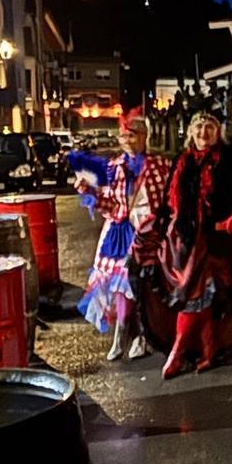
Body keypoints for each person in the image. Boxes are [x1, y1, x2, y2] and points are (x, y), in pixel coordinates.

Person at [158, 111, 232, 379]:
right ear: (190, 130)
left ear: (218, 131)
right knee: (196, 296)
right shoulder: (183, 159)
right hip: (185, 241)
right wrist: (160, 224)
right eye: (198, 126)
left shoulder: (230, 158)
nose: (203, 132)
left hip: (217, 238)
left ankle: (178, 353)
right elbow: (169, 197)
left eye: (209, 127)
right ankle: (208, 350)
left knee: (203, 294)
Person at [74, 109, 172, 361]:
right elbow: (109, 204)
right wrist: (91, 193)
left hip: (148, 232)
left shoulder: (160, 165)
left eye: (131, 135)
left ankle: (142, 337)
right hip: (118, 232)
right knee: (118, 285)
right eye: (123, 136)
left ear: (143, 136)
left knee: (143, 286)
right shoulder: (113, 167)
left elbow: (168, 199)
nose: (126, 140)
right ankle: (121, 337)